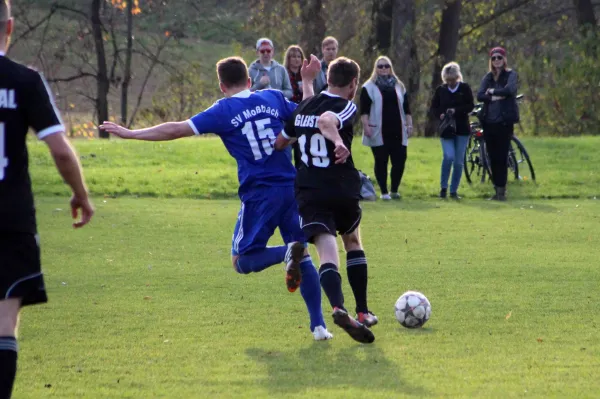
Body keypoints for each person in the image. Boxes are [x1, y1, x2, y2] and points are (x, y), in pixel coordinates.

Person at [100, 56, 333, 341]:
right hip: (292, 189)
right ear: (249, 81)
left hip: (260, 194)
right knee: (304, 254)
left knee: (241, 259)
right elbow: (307, 117)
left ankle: (285, 253)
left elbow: (176, 128)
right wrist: (308, 82)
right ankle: (319, 326)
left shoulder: (223, 110)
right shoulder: (273, 97)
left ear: (222, 86)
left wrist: (132, 133)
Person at [0, 1, 95, 397]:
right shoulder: (22, 80)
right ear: (9, 27)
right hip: (10, 217)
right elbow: (58, 149)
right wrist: (80, 195)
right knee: (4, 318)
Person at [274, 57, 377, 344]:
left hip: (310, 191)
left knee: (328, 255)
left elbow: (281, 141)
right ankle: (363, 312)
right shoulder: (348, 105)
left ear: (327, 79)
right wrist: (339, 142)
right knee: (353, 242)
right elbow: (326, 120)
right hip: (341, 187)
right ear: (353, 83)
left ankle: (337, 307)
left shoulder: (302, 108)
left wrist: (306, 82)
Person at [360, 56, 413, 200]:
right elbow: (364, 110)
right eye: (380, 66)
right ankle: (383, 192)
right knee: (381, 160)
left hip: (398, 129)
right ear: (375, 69)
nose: (383, 69)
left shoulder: (399, 86)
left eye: (386, 66)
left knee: (400, 160)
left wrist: (409, 124)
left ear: (391, 68)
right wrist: (366, 127)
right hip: (378, 130)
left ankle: (394, 190)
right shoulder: (368, 87)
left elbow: (407, 108)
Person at [477, 47, 519, 201]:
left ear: (504, 59)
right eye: (494, 58)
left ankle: (502, 191)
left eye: (499, 58)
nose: (496, 61)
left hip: (504, 122)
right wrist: (492, 97)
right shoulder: (488, 77)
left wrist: (493, 92)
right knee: (492, 157)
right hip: (489, 123)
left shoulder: (511, 75)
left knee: (502, 157)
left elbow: (510, 90)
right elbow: (480, 95)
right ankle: (497, 190)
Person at [430, 62, 474, 199]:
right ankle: (443, 187)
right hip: (446, 130)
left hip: (462, 129)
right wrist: (441, 114)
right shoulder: (440, 90)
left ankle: (453, 190)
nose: (451, 83)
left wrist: (456, 111)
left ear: (457, 77)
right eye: (448, 80)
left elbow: (470, 106)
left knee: (459, 162)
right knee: (448, 156)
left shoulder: (465, 88)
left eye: (453, 80)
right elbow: (434, 107)